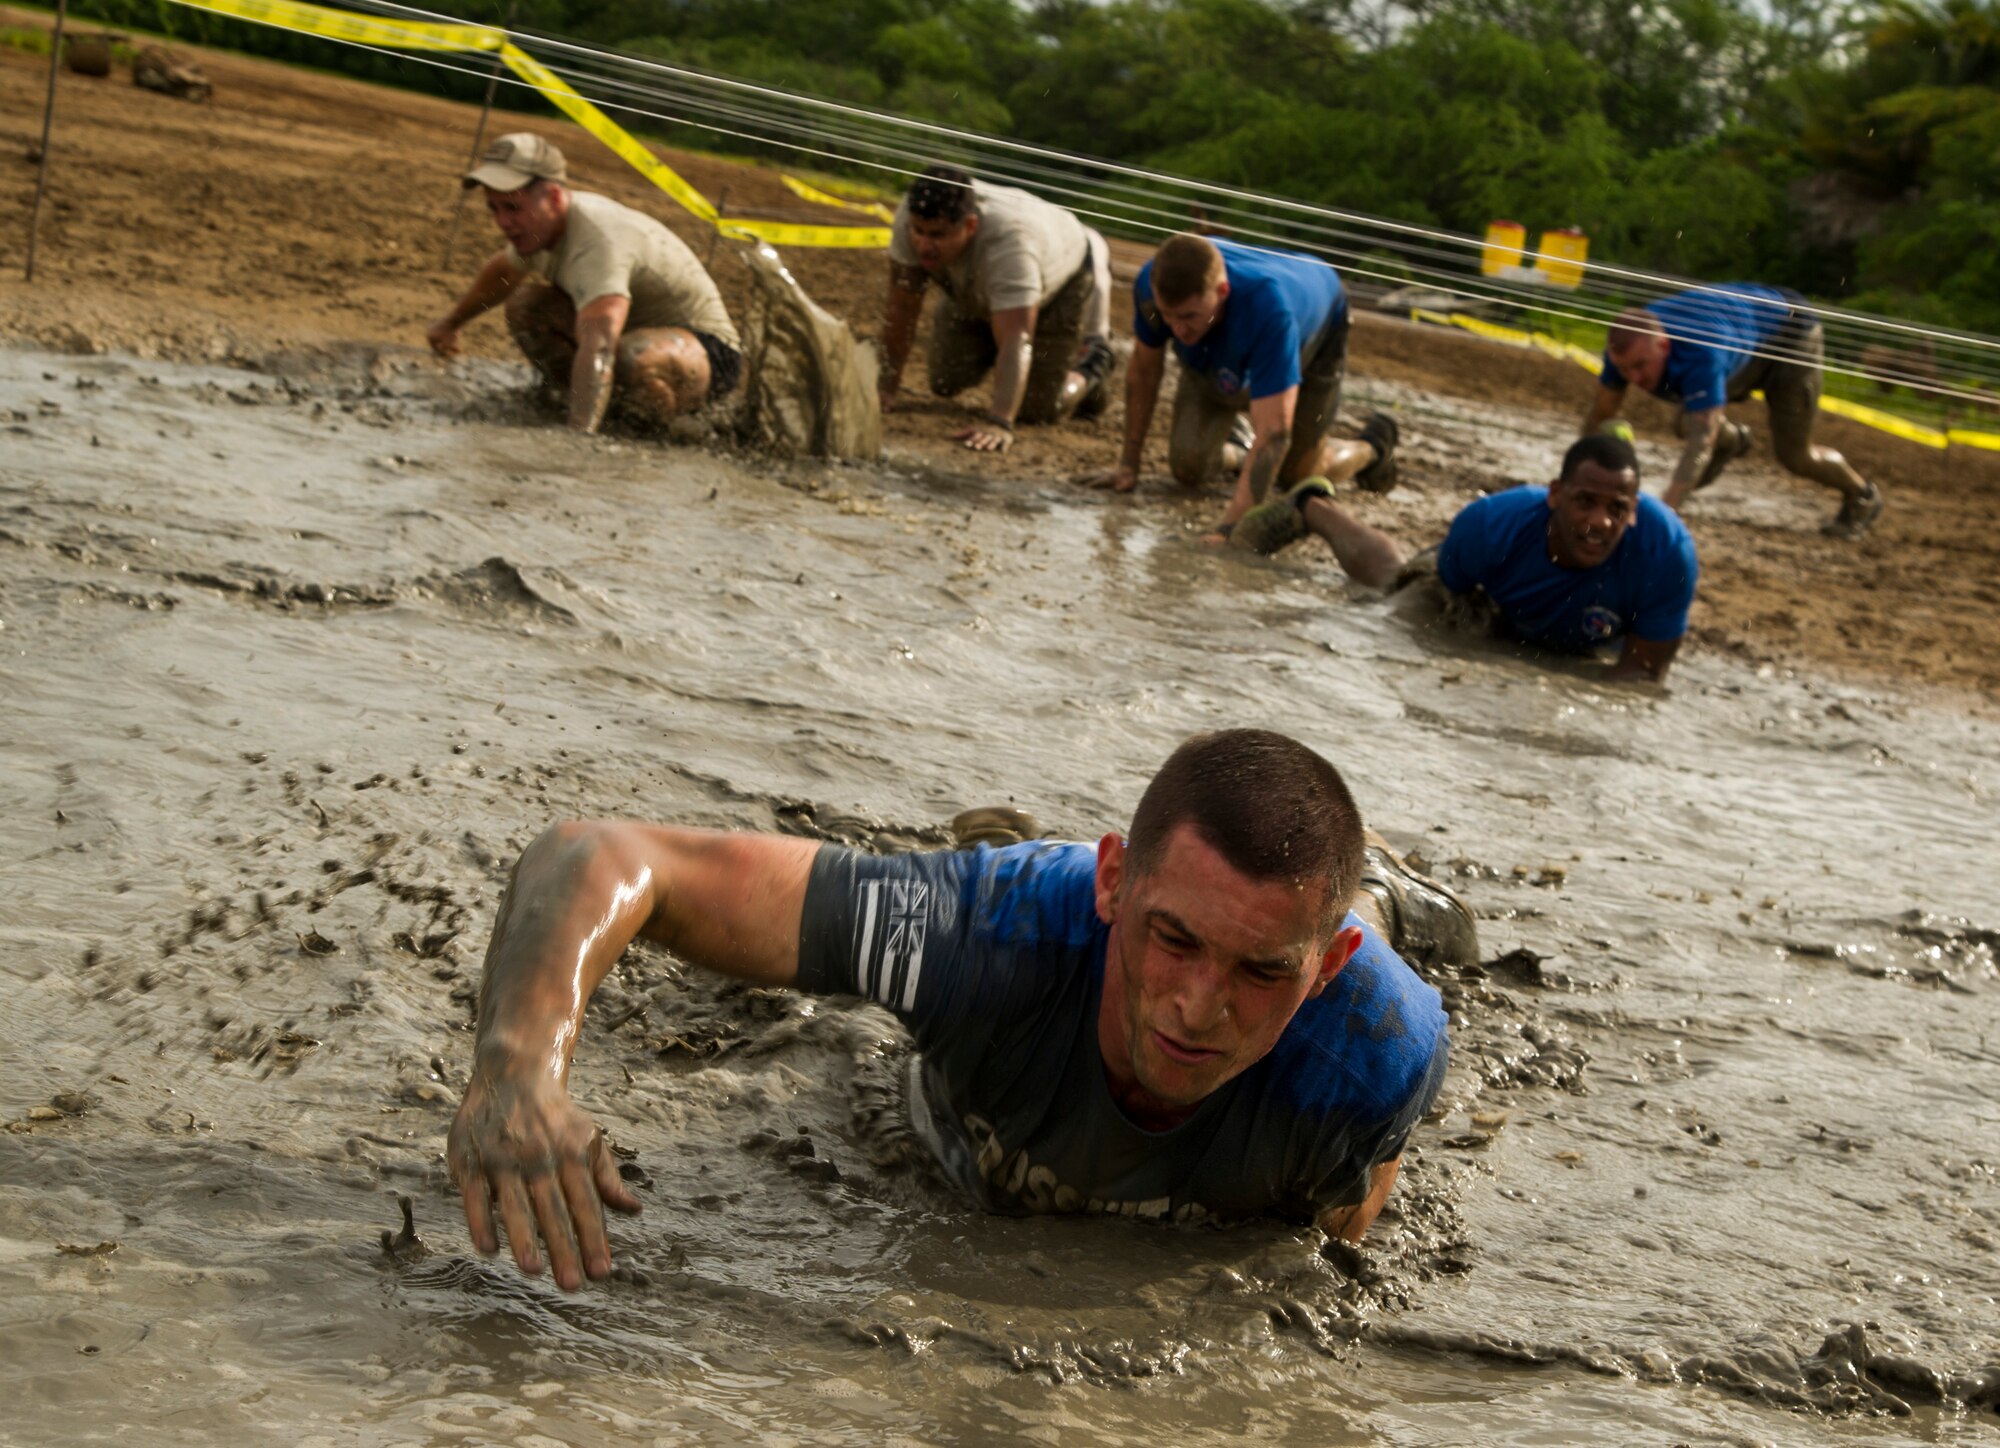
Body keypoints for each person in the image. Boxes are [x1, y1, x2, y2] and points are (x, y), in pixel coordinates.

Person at [446, 729, 1461, 1291]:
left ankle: (1383, 896)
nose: (1199, 1007)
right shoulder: (976, 932)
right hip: (980, 1041)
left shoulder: (1374, 1054)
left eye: (1260, 972)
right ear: (1114, 885)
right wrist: (519, 1068)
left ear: (1319, 968)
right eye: (1173, 938)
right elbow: (599, 855)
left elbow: (1322, 1254)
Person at [1230, 434, 1696, 682]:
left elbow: (1641, 674)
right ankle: (1313, 507)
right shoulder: (1492, 525)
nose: (1600, 522)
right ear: (1555, 495)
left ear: (1634, 511)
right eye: (1585, 502)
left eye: (1618, 510)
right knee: (1398, 586)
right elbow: (1443, 600)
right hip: (1485, 595)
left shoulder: (1666, 554)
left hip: (1577, 636)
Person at [426, 133, 743, 435]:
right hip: (632, 338)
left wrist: (578, 438)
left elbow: (601, 344)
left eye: (512, 208)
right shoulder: (541, 228)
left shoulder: (597, 239)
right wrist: (451, 324)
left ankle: (656, 433)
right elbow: (503, 272)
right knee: (527, 306)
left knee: (632, 356)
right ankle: (565, 401)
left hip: (710, 354)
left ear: (552, 196)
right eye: (494, 208)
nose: (502, 223)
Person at [1090, 232, 1399, 538]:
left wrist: (1230, 529)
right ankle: (1244, 449)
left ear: (1222, 291)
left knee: (1298, 476)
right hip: (1223, 333)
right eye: (1168, 316)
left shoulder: (1268, 309)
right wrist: (1128, 464)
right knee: (1188, 467)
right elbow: (1144, 371)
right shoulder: (1150, 285)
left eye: (1188, 316)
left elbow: (1276, 434)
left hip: (1320, 319)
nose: (1177, 329)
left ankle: (1373, 447)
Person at [1580, 283, 1885, 539]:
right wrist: (1577, 484)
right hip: (1744, 336)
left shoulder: (1701, 355)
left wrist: (1662, 516)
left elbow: (1699, 444)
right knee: (1689, 420)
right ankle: (1732, 440)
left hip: (1792, 337)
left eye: (1640, 366)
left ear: (1662, 346)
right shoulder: (1625, 349)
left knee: (1795, 455)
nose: (1633, 378)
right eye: (1624, 369)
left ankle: (1862, 495)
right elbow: (1600, 415)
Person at [877, 165, 1117, 452]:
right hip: (980, 285)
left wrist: (1000, 420)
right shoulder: (910, 214)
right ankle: (996, 327)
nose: (924, 245)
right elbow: (901, 307)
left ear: (970, 226)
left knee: (1036, 409)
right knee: (945, 380)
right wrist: (885, 388)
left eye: (937, 235)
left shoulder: (1011, 245)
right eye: (919, 232)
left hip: (1061, 279)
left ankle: (1091, 369)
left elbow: (1018, 338)